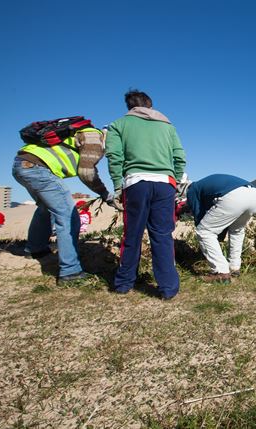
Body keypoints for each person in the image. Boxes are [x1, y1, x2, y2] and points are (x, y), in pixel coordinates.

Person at [105, 89, 186, 299]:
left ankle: (124, 284)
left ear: (130, 107)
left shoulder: (118, 125)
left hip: (136, 183)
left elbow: (114, 156)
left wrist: (117, 185)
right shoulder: (168, 126)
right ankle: (168, 288)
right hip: (164, 184)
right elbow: (179, 156)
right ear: (150, 105)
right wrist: (174, 180)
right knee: (162, 235)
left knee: (132, 234)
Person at [12, 122, 115, 283]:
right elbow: (86, 173)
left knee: (46, 209)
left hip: (23, 165)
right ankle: (70, 272)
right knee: (68, 216)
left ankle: (35, 248)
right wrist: (105, 194)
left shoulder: (83, 133)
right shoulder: (95, 139)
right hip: (38, 169)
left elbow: (86, 169)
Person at [186, 174, 256, 283]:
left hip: (234, 197)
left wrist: (212, 236)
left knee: (204, 232)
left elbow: (199, 215)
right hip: (254, 196)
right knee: (237, 231)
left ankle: (221, 272)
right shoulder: (203, 184)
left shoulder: (192, 190)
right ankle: (234, 268)